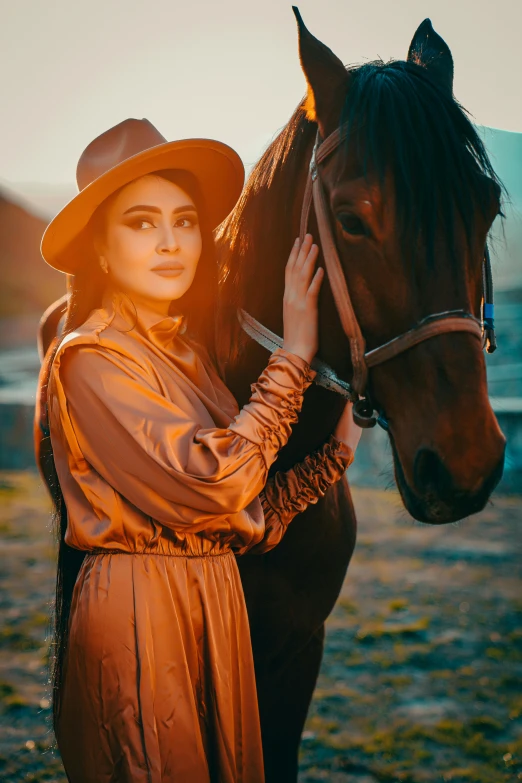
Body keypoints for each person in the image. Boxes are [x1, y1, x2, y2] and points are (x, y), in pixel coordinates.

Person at [36, 117, 362, 783]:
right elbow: (220, 485)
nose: (169, 242)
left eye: (185, 221)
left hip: (213, 612)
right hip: (137, 618)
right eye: (141, 222)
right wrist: (294, 356)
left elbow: (243, 524)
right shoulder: (90, 359)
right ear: (101, 248)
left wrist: (334, 454)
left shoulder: (189, 358)